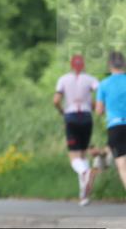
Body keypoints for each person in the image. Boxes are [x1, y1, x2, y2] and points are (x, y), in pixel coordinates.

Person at [54, 54, 100, 204]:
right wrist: (93, 106)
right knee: (82, 154)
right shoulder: (91, 79)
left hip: (71, 116)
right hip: (86, 117)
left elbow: (56, 100)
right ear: (84, 65)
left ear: (71, 65)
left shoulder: (63, 79)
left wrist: (62, 111)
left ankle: (84, 172)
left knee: (74, 157)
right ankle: (84, 195)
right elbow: (99, 95)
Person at [95, 50, 126, 204]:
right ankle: (102, 154)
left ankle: (101, 156)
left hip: (115, 125)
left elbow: (99, 111)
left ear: (109, 65)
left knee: (122, 165)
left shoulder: (104, 84)